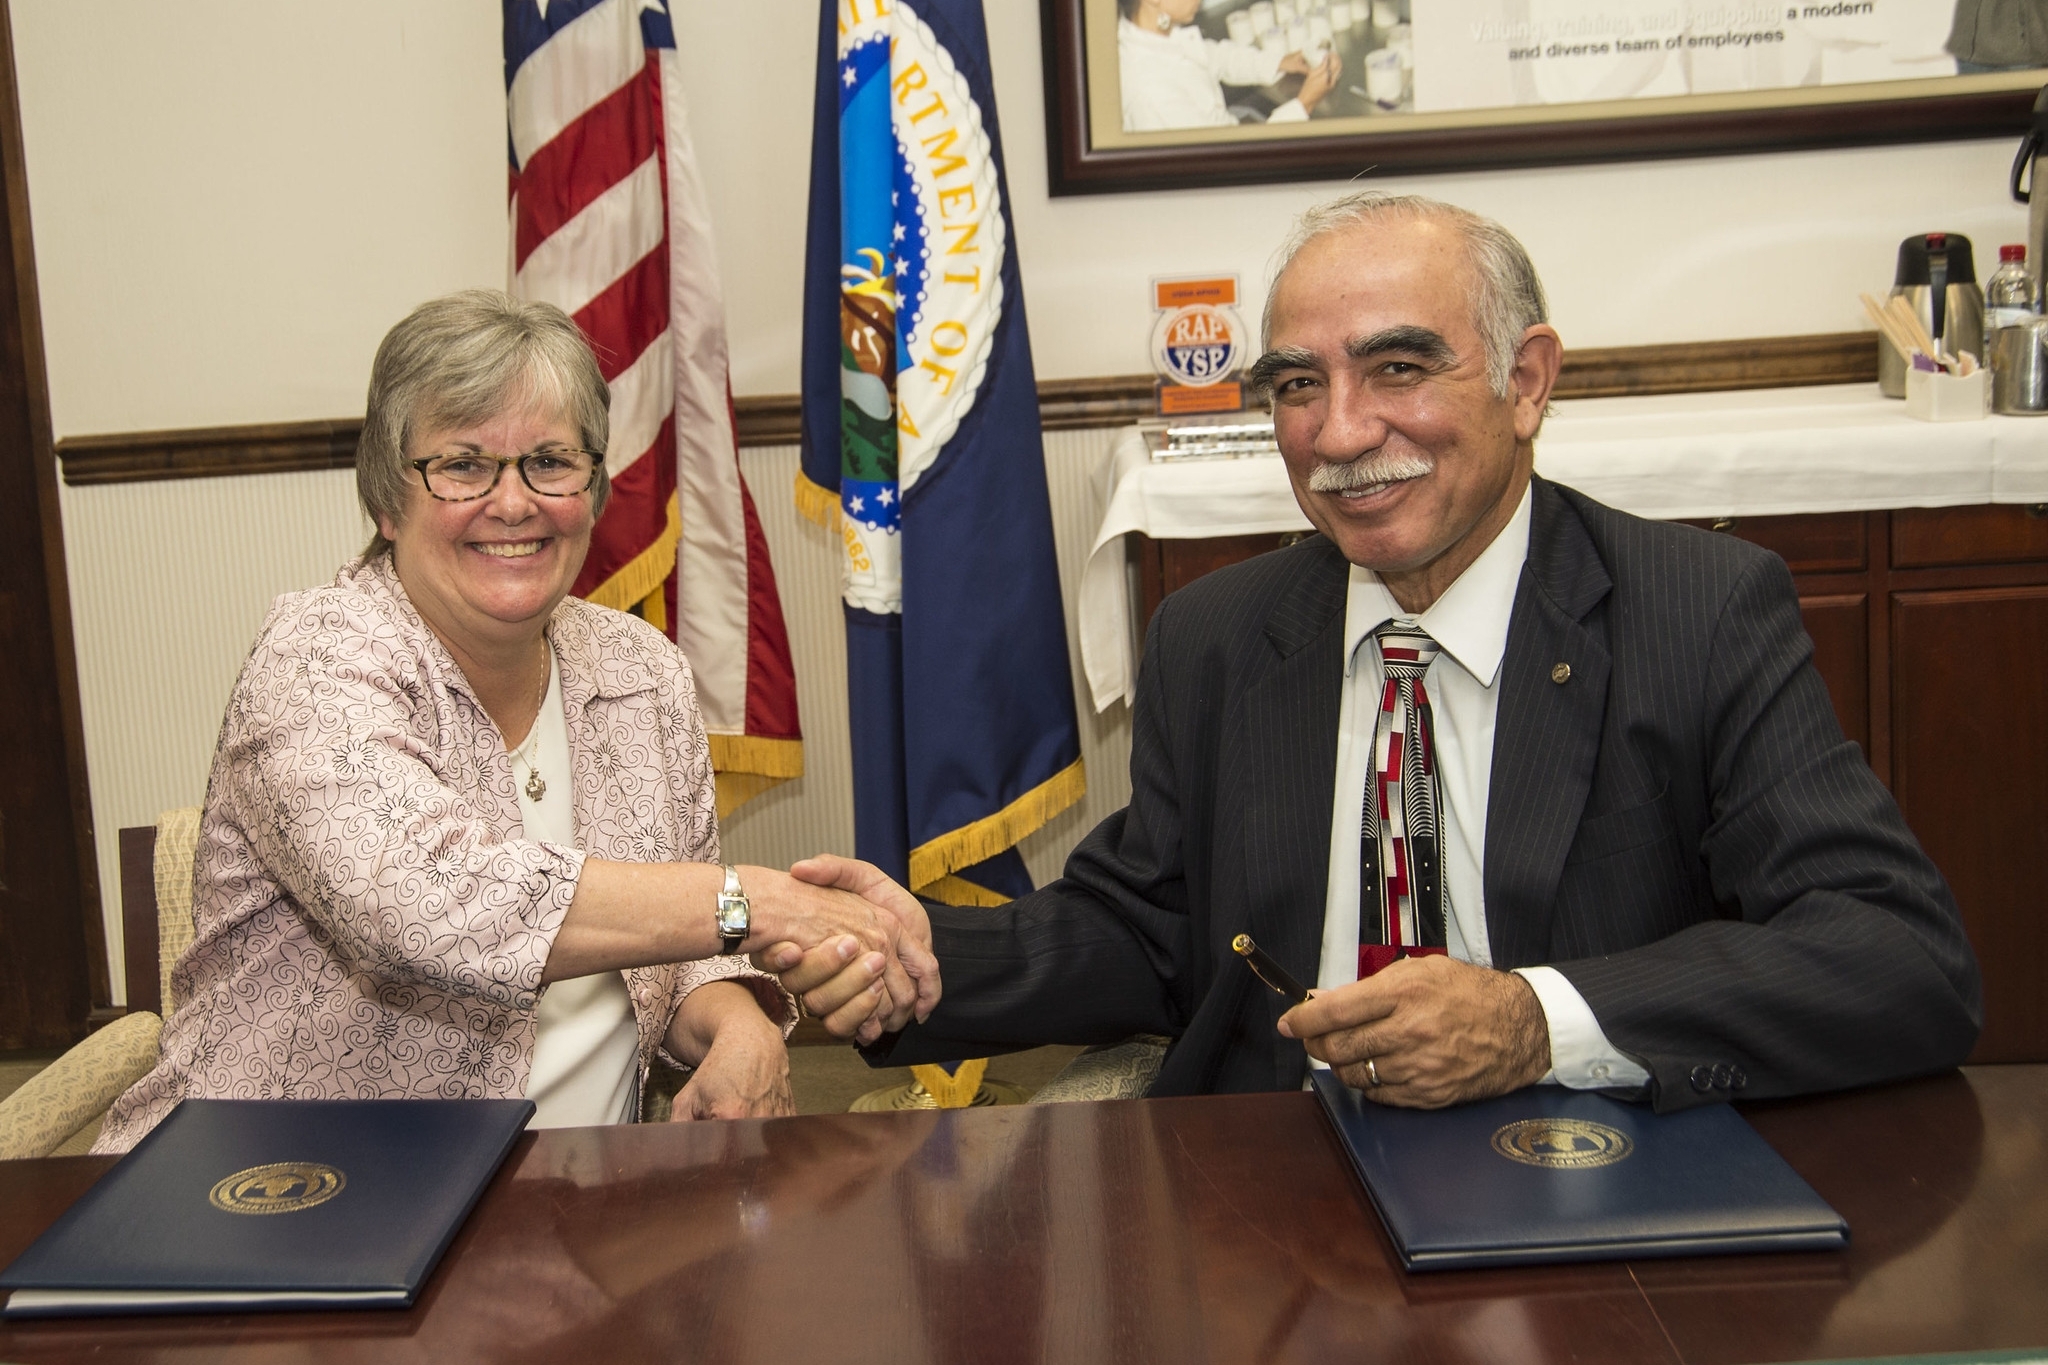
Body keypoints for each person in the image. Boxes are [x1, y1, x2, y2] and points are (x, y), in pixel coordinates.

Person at [781, 192, 1983, 1112]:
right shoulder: (1217, 633)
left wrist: (1530, 1021)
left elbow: (1896, 957)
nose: (1341, 431)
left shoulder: (1697, 610)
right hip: (1274, 1176)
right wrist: (918, 954)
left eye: (1399, 367)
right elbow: (1148, 931)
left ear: (1525, 381)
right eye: (1298, 383)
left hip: (1590, 1160)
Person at [96, 291, 934, 1152]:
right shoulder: (316, 654)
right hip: (283, 1195)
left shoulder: (641, 671)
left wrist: (741, 1026)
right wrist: (761, 902)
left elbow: (683, 952)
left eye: (549, 461)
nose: (513, 501)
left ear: (594, 490)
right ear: (388, 502)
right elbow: (417, 903)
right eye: (463, 465)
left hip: (579, 1215)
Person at [1118, 0, 1340, 132]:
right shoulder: (1150, 92)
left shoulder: (1149, 33)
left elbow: (1217, 56)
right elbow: (1239, 158)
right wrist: (1304, 104)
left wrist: (1279, 62)